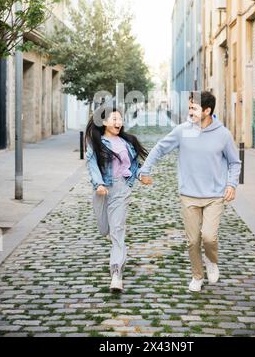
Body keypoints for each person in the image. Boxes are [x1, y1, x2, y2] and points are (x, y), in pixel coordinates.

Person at [139, 91, 241, 292]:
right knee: (193, 240)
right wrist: (145, 169)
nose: (190, 111)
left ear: (207, 111)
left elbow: (234, 162)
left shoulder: (223, 134)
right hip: (189, 195)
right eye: (190, 107)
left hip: (214, 196)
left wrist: (231, 184)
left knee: (209, 237)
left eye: (194, 108)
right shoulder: (183, 130)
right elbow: (160, 148)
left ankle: (212, 261)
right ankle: (197, 276)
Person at [85, 105, 148, 292]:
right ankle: (118, 254)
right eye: (114, 119)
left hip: (121, 190)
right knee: (105, 229)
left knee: (117, 230)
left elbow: (134, 165)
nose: (118, 122)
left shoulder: (128, 142)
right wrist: (99, 184)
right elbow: (92, 166)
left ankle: (116, 274)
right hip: (102, 191)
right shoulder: (97, 143)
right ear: (103, 122)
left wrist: (140, 176)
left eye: (120, 119)